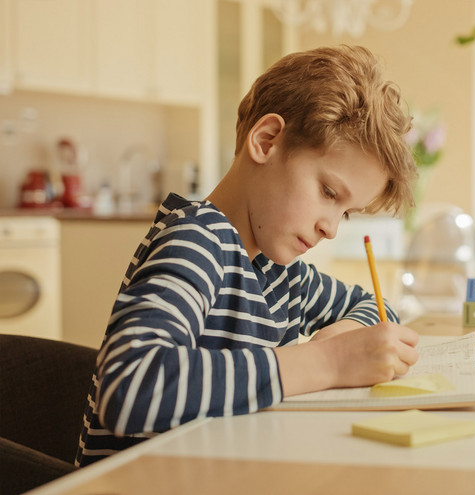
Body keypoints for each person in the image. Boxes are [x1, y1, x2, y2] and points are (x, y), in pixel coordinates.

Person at [75, 45, 420, 467]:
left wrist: (345, 335)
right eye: (329, 193)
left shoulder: (283, 274)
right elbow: (128, 387)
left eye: (345, 212)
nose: (331, 227)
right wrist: (326, 361)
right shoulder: (198, 240)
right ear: (266, 141)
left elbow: (375, 305)